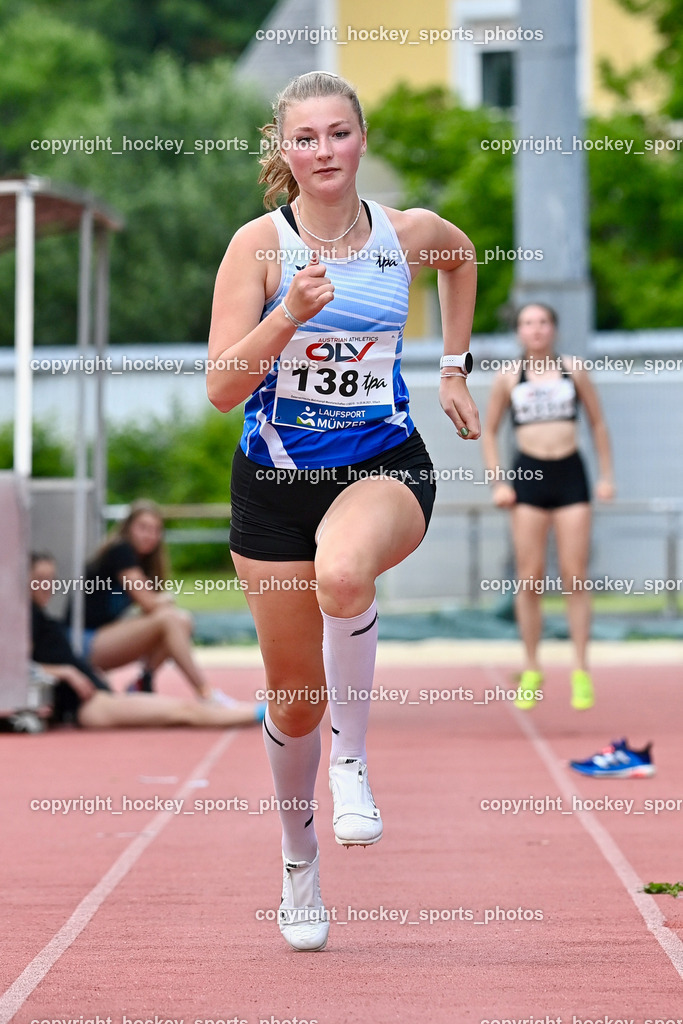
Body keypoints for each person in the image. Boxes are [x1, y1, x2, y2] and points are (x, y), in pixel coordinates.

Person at [206, 71, 479, 951]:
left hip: (382, 465)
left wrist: (450, 366)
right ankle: (297, 859)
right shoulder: (257, 247)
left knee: (345, 570)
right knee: (292, 702)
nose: (323, 151)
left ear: (361, 139)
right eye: (306, 138)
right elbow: (220, 389)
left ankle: (353, 764)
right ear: (283, 150)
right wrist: (287, 315)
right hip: (276, 485)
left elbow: (462, 257)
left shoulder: (407, 235)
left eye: (338, 133)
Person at [481, 302, 615, 711]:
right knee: (530, 576)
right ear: (519, 331)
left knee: (575, 574)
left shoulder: (573, 369)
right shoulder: (509, 376)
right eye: (527, 323)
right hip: (528, 478)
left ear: (553, 329)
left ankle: (580, 667)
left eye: (542, 322)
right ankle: (532, 665)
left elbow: (597, 423)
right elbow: (488, 430)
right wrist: (499, 481)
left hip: (571, 474)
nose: (535, 330)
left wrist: (607, 475)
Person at [31, 553, 264, 730]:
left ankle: (261, 712)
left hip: (97, 694)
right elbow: (14, 668)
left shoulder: (38, 615)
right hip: (87, 705)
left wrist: (79, 671)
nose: (47, 586)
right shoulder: (25, 617)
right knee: (183, 711)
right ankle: (262, 713)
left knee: (182, 710)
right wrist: (66, 672)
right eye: (39, 579)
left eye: (51, 579)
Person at [74, 498, 228, 703]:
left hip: (104, 637)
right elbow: (149, 603)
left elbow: (151, 607)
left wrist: (161, 602)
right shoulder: (120, 551)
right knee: (170, 619)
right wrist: (166, 598)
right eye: (143, 528)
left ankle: (144, 682)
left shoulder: (145, 563)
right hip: (81, 641)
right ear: (128, 528)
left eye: (156, 530)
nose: (150, 535)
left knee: (181, 620)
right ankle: (206, 693)